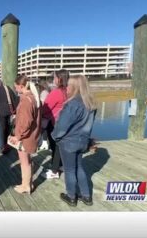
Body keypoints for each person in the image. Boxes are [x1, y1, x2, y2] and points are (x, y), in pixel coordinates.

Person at [52, 75, 96, 206]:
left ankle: (71, 196)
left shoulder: (72, 104)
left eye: (69, 85)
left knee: (69, 170)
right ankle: (86, 196)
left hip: (68, 142)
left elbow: (62, 126)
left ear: (74, 87)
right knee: (79, 167)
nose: (67, 87)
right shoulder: (90, 103)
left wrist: (55, 137)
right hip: (83, 141)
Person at [8, 75, 41, 194]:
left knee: (24, 162)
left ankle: (25, 186)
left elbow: (26, 122)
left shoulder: (27, 100)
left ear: (21, 86)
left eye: (16, 87)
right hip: (29, 136)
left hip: (25, 137)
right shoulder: (32, 98)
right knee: (27, 161)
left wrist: (17, 136)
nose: (15, 89)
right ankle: (28, 184)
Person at [41, 69, 69, 179]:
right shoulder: (68, 91)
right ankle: (60, 165)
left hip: (54, 123)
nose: (53, 79)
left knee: (55, 146)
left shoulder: (56, 92)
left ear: (59, 79)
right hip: (64, 123)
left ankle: (54, 171)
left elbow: (45, 108)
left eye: (55, 77)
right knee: (59, 146)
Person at [0, 74, 19, 154]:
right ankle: (9, 144)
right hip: (11, 111)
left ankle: (3, 147)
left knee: (2, 129)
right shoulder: (7, 87)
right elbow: (14, 99)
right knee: (9, 128)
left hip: (1, 112)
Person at [36, 79, 51, 150]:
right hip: (47, 114)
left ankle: (43, 143)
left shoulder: (43, 93)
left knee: (42, 128)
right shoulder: (47, 92)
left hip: (44, 114)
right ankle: (44, 143)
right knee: (44, 128)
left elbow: (41, 104)